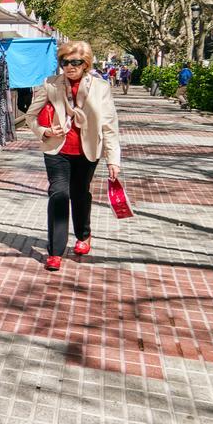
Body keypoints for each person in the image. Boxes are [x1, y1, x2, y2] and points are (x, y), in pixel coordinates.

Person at [25, 41, 122, 272]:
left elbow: (109, 126)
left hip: (87, 151)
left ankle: (83, 234)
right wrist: (45, 131)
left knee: (80, 194)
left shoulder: (100, 88)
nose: (69, 66)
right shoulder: (50, 85)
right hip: (57, 149)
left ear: (85, 64)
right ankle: (55, 251)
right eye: (65, 62)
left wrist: (113, 160)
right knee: (59, 193)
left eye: (75, 62)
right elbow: (30, 116)